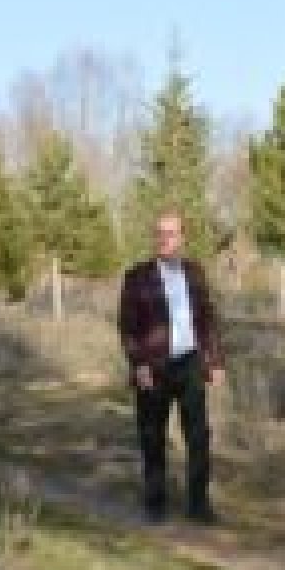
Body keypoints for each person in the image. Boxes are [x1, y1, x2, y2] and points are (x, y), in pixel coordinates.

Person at [117, 210, 225, 524]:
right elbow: (127, 326)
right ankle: (155, 504)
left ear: (182, 238)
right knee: (152, 436)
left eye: (172, 233)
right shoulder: (137, 276)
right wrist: (138, 363)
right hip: (153, 367)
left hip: (190, 364)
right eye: (160, 233)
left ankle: (198, 505)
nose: (165, 239)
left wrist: (215, 361)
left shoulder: (195, 273)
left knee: (199, 436)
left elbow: (206, 320)